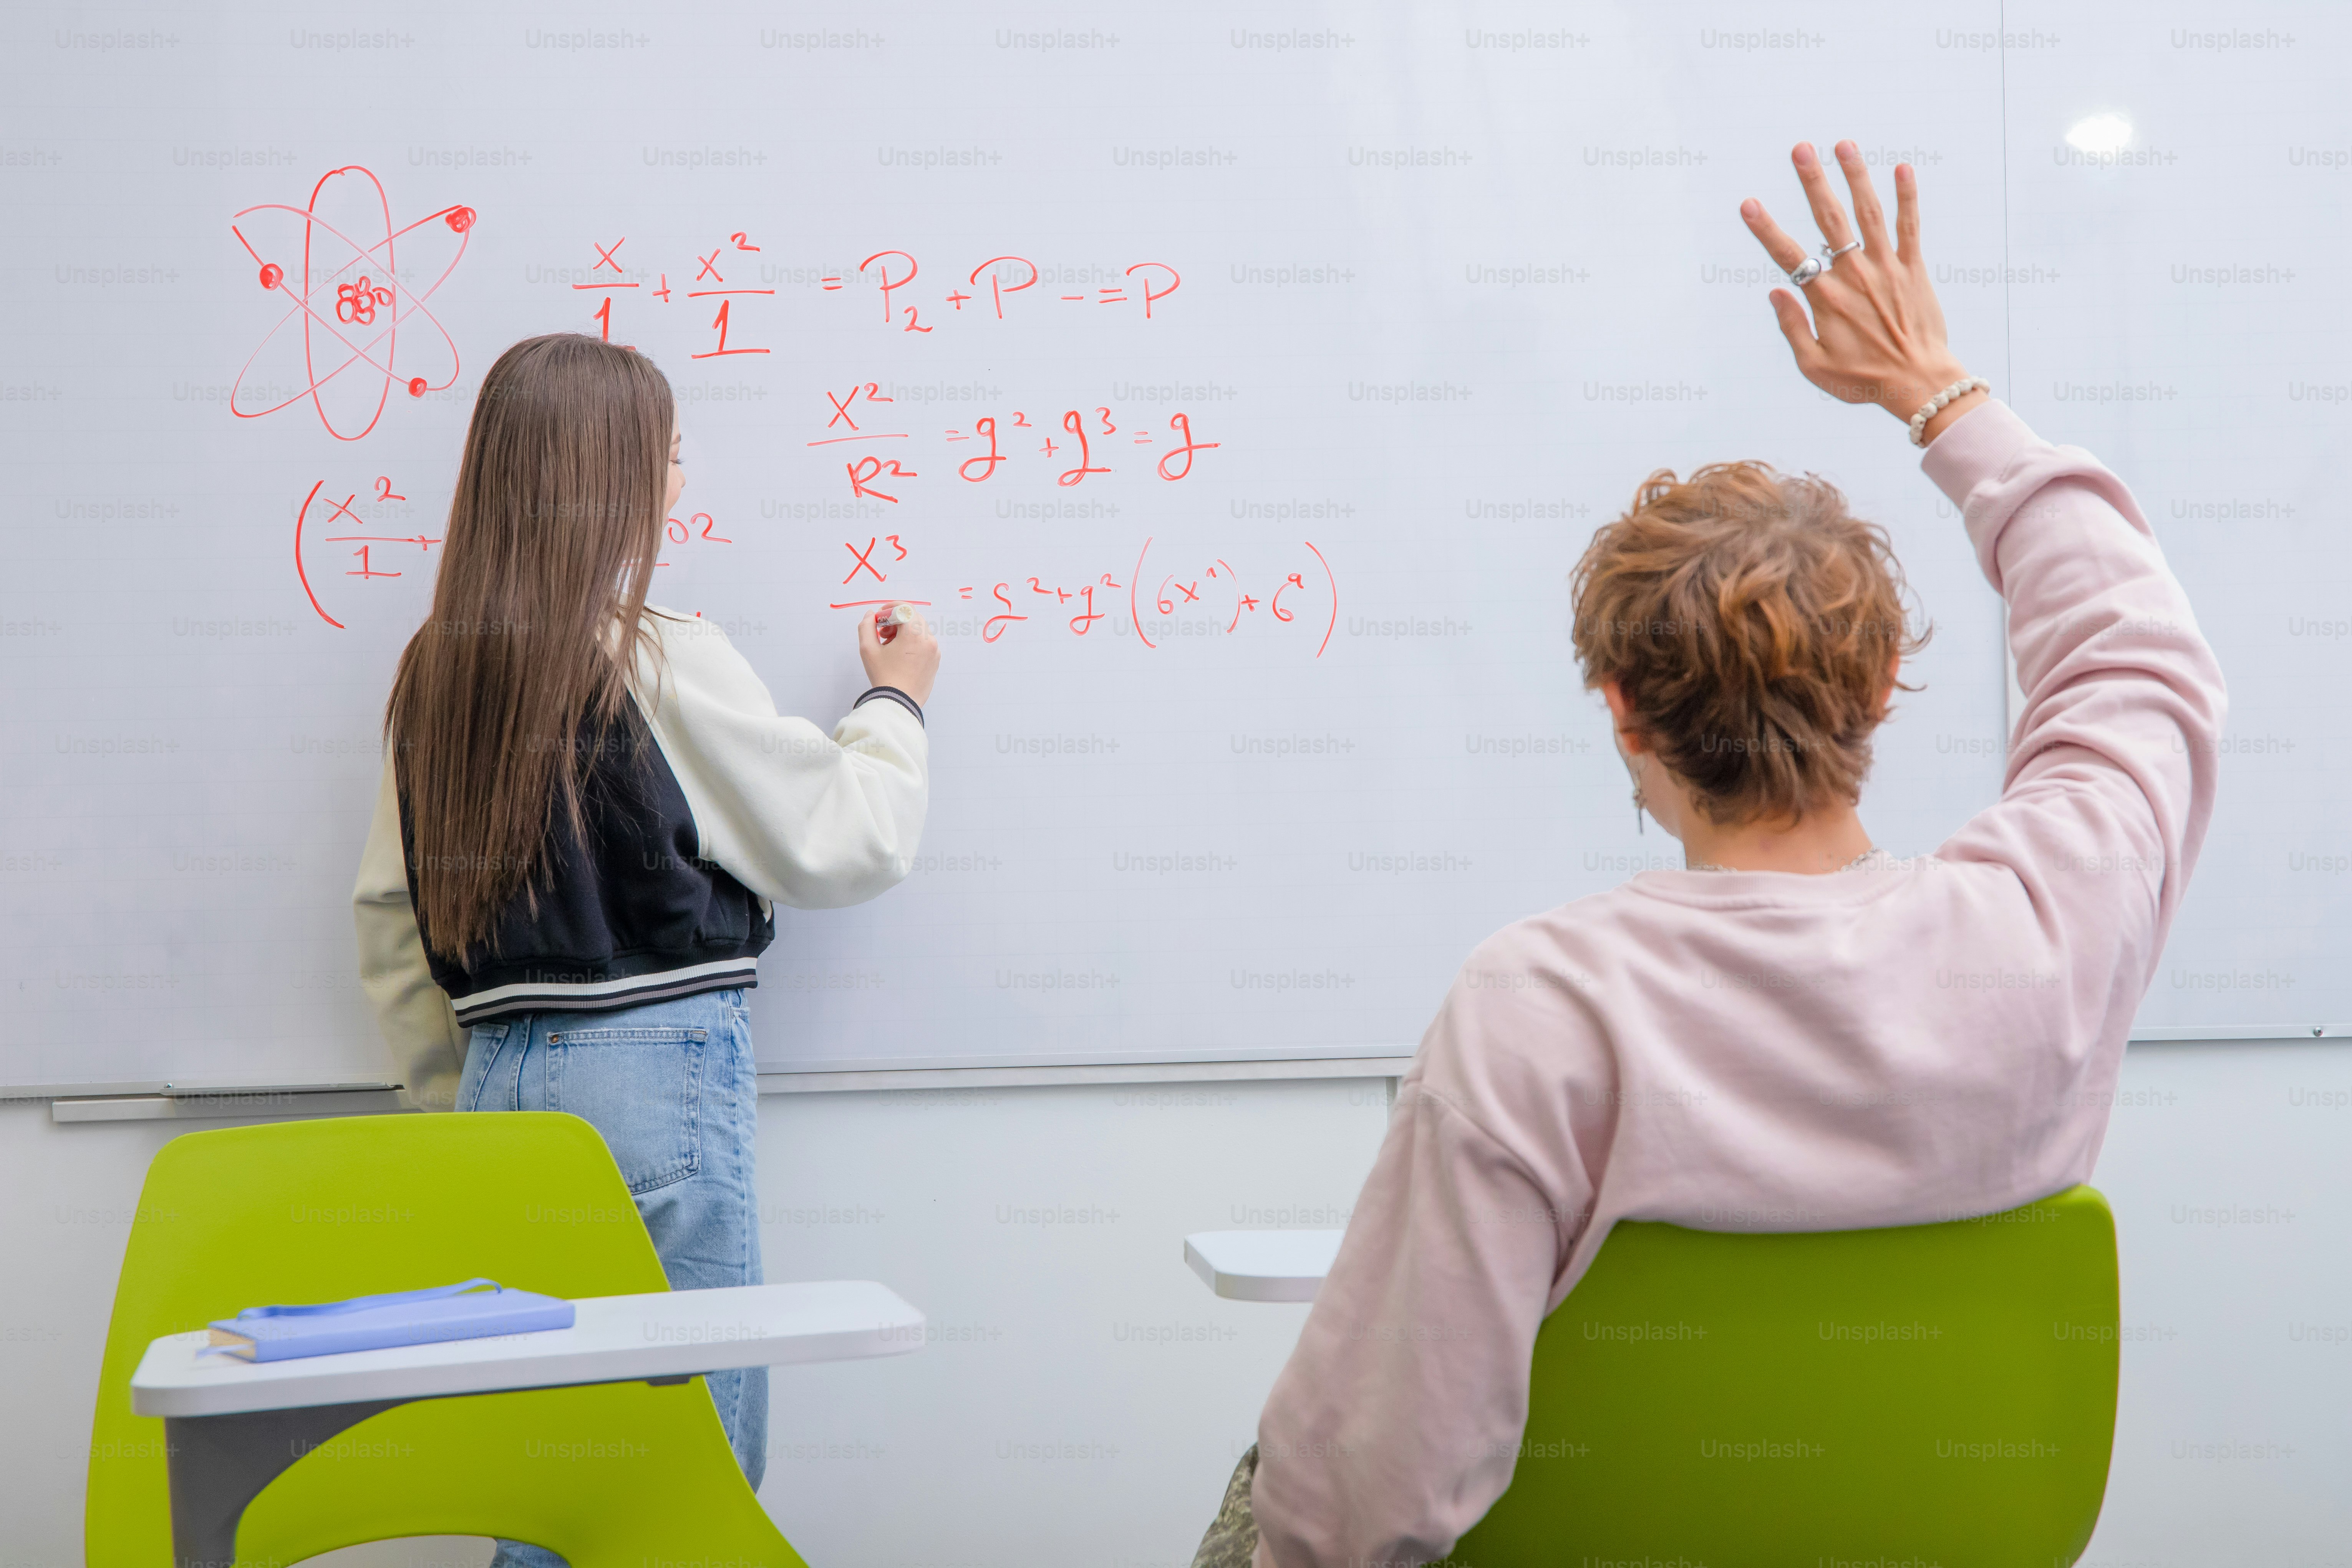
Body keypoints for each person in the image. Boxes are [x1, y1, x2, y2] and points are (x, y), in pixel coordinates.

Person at [1193, 141, 2225, 1568]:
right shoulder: (2044, 933)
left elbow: (1367, 1504)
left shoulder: (1540, 1010)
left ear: (1618, 708)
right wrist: (1937, 392)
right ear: (1879, 689)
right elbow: (2138, 656)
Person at [353, 333, 938, 1568]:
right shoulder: (659, 654)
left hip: (495, 1085)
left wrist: (451, 1107)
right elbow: (846, 837)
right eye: (670, 455)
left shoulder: (435, 673)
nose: (684, 476)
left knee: (555, 1468)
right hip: (654, 1073)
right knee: (681, 1475)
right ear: (612, 479)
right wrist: (896, 703)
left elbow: (392, 925)